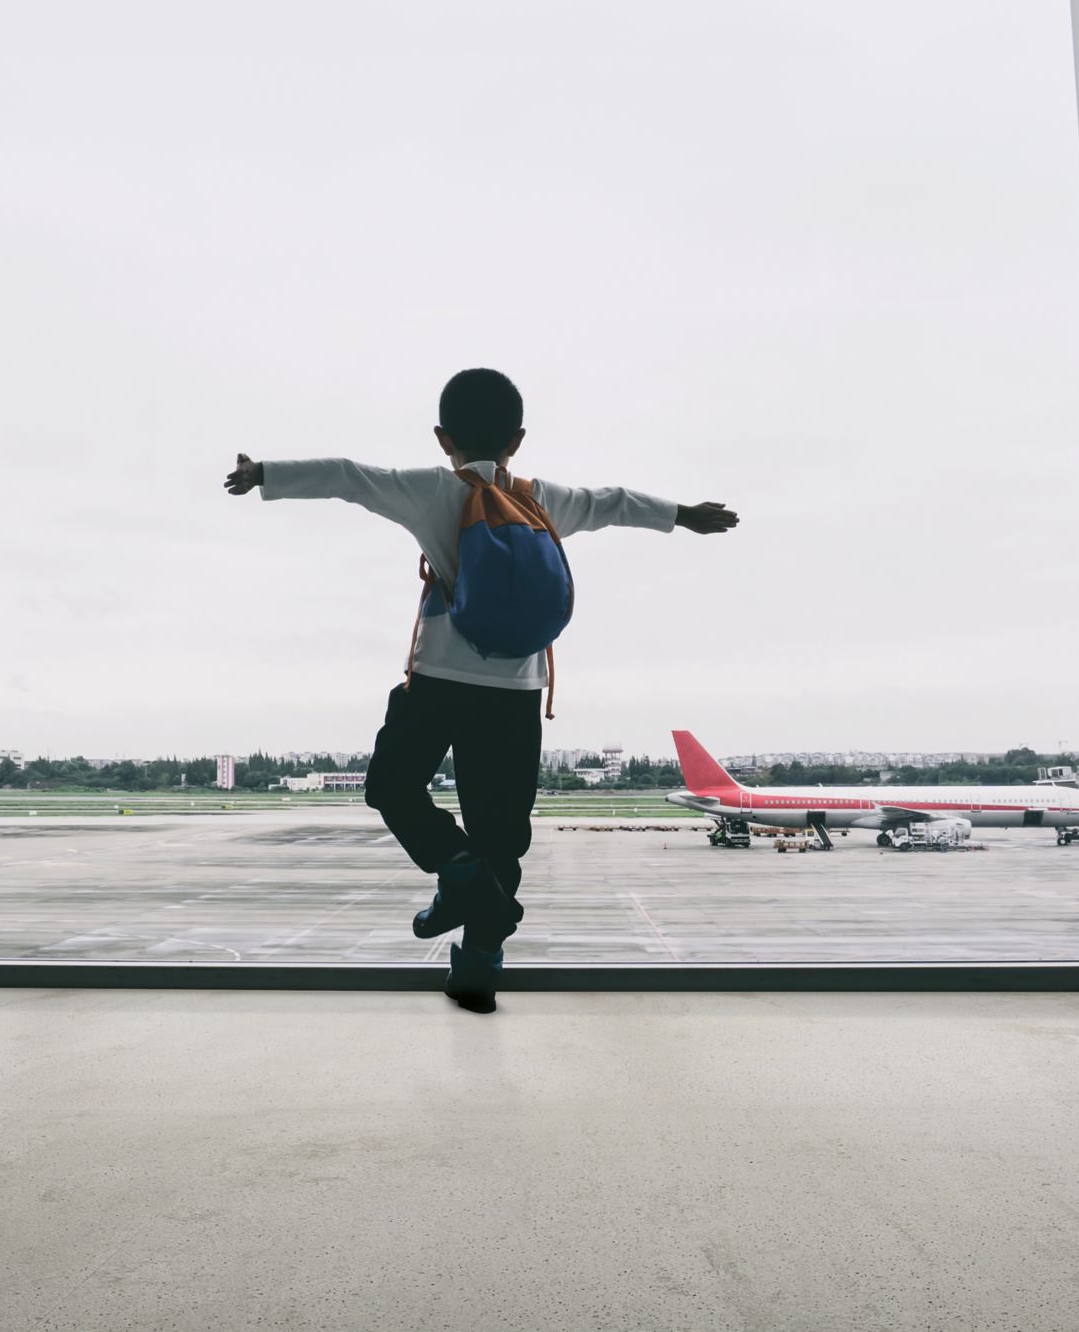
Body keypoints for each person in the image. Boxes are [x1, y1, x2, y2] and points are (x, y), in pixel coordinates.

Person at [224, 367, 738, 1012]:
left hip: (438, 681)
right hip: (517, 691)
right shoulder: (543, 497)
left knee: (391, 787)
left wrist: (264, 472)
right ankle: (477, 968)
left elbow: (349, 477)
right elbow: (613, 500)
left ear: (443, 438)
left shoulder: (432, 490)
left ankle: (458, 874)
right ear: (517, 439)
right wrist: (683, 516)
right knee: (501, 831)